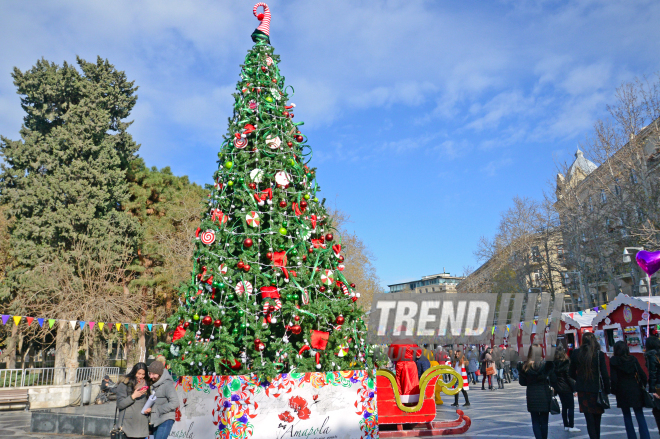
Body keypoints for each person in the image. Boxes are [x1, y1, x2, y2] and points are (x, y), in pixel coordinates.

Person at [569, 331, 610, 439]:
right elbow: (604, 374)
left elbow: (571, 373)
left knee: (589, 419)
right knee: (597, 418)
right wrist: (607, 389)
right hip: (597, 389)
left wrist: (579, 379)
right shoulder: (598, 354)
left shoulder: (576, 353)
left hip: (583, 390)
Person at [610, 341, 651, 439]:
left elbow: (614, 378)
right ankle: (645, 436)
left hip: (622, 390)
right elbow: (643, 375)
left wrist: (614, 391)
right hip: (635, 389)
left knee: (626, 415)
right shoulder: (633, 359)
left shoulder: (613, 361)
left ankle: (631, 436)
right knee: (639, 414)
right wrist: (642, 386)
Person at [518, 344, 553, 439]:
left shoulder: (525, 366)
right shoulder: (544, 365)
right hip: (544, 394)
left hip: (532, 395)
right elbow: (551, 378)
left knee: (535, 421)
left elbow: (522, 382)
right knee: (544, 421)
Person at [145, 360, 179, 439]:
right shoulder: (153, 384)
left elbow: (175, 402)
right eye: (150, 373)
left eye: (153, 374)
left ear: (159, 374)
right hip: (155, 419)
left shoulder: (167, 384)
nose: (151, 376)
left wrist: (158, 409)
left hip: (165, 419)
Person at [115, 363, 151, 439]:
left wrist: (150, 408)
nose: (140, 376)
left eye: (143, 374)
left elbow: (148, 402)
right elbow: (120, 404)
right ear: (134, 372)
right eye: (139, 373)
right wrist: (133, 396)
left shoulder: (147, 385)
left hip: (142, 425)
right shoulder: (124, 384)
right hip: (127, 426)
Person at [550, 346, 580, 432]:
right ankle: (571, 426)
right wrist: (574, 389)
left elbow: (552, 377)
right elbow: (569, 377)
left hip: (559, 388)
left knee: (564, 407)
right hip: (567, 388)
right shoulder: (566, 363)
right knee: (571, 407)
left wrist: (555, 387)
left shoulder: (553, 363)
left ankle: (566, 425)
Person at [645, 335, 660, 433]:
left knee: (657, 411)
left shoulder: (651, 356)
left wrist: (652, 390)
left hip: (658, 387)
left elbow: (652, 374)